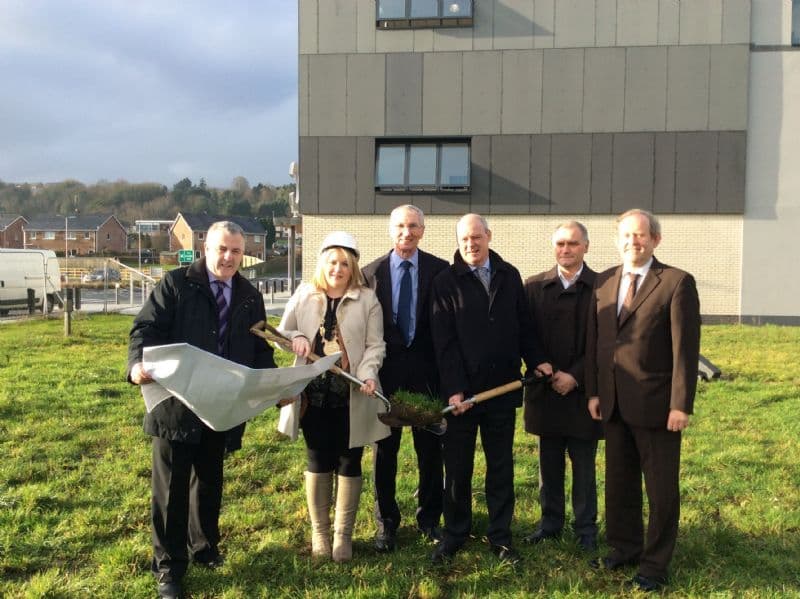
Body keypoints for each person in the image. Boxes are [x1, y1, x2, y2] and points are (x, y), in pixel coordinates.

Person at [128, 221, 276, 599]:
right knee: (171, 489)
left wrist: (276, 387)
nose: (228, 258)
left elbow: (259, 350)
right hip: (177, 403)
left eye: (236, 252)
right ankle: (168, 567)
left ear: (244, 255)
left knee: (209, 481)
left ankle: (204, 548)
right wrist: (135, 367)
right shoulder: (176, 285)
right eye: (222, 249)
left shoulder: (249, 295)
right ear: (205, 248)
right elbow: (145, 330)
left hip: (221, 407)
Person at [586, 209, 700, 592]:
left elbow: (685, 349)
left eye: (641, 236)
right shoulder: (603, 282)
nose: (633, 242)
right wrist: (594, 392)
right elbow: (596, 345)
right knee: (618, 484)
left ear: (655, 240)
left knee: (661, 489)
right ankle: (624, 548)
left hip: (657, 407)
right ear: (617, 239)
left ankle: (654, 564)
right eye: (627, 236)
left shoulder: (676, 283)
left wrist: (680, 404)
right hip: (614, 403)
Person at [429, 213, 549, 564]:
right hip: (462, 397)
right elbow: (444, 342)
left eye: (477, 237)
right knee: (458, 469)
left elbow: (524, 327)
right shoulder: (445, 282)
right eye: (465, 238)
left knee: (500, 467)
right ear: (458, 241)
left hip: (502, 390)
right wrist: (454, 389)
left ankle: (500, 537)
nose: (471, 244)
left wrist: (537, 359)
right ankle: (455, 533)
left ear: (489, 236)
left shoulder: (509, 276)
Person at [278, 231, 389, 562]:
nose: (337, 269)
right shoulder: (305, 294)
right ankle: (320, 534)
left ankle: (343, 536)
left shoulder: (367, 299)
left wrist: (367, 373)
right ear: (322, 263)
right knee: (317, 458)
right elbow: (282, 332)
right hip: (313, 396)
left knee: (349, 459)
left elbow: (375, 345)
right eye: (331, 262)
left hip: (352, 394)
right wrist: (296, 336)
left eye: (344, 263)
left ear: (352, 265)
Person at [362, 205, 449, 552]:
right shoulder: (370, 274)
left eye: (413, 226)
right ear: (390, 229)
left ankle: (429, 519)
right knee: (385, 452)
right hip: (387, 378)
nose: (406, 232)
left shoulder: (441, 272)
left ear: (423, 231)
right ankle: (387, 524)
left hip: (429, 378)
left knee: (430, 453)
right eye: (400, 225)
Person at [522, 221, 602, 552]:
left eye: (572, 243)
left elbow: (606, 342)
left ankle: (586, 529)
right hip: (545, 389)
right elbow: (524, 333)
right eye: (559, 244)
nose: (565, 249)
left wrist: (576, 375)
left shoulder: (602, 287)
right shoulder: (534, 286)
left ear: (586, 246)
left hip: (584, 392)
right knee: (548, 464)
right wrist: (542, 364)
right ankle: (550, 524)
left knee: (583, 466)